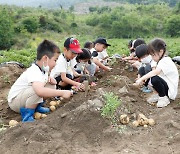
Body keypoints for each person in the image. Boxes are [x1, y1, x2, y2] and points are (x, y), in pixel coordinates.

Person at [8, 40, 72, 122]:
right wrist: (62, 93)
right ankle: (27, 116)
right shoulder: (34, 71)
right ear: (45, 58)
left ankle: (36, 107)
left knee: (51, 85)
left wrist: (53, 81)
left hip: (23, 98)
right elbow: (40, 91)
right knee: (37, 91)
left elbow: (47, 84)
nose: (55, 63)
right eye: (55, 60)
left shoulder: (43, 70)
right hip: (15, 102)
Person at [134, 38, 179, 107]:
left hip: (170, 90)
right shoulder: (160, 60)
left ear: (161, 52)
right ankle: (158, 94)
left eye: (153, 55)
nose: (152, 57)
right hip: (165, 85)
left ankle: (163, 97)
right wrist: (141, 77)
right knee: (143, 70)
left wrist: (141, 79)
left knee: (154, 79)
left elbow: (156, 72)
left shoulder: (165, 60)